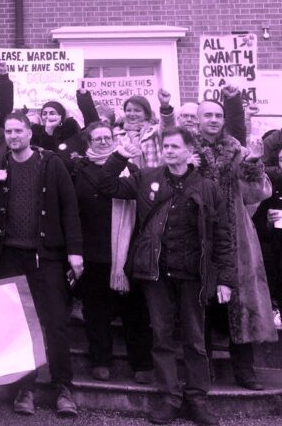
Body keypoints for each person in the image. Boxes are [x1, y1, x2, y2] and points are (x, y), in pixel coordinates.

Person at [96, 129, 235, 426]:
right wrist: (120, 155)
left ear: (189, 151)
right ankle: (170, 398)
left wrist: (225, 279)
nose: (169, 151)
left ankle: (197, 399)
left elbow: (223, 236)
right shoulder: (146, 177)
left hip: (194, 275)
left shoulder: (208, 187)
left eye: (175, 147)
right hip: (155, 272)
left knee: (195, 340)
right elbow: (105, 185)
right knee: (161, 337)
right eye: (166, 146)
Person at [0, 111, 83, 417]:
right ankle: (24, 389)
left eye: (18, 131)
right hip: (11, 257)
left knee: (55, 322)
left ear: (30, 133)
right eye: (9, 132)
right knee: (19, 325)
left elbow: (69, 207)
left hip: (47, 256)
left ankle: (63, 388)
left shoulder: (50, 162)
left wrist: (75, 251)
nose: (13, 136)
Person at [192, 97, 274, 391]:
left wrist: (253, 164)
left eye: (218, 115)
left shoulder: (237, 150)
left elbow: (256, 194)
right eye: (208, 115)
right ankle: (204, 369)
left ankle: (245, 371)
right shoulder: (188, 150)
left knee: (240, 302)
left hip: (235, 233)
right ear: (198, 120)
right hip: (196, 234)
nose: (213, 120)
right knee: (200, 302)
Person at [72, 121, 154, 384]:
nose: (104, 142)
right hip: (93, 250)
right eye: (98, 139)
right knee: (96, 310)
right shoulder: (77, 169)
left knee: (135, 310)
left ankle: (141, 363)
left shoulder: (129, 168)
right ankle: (100, 361)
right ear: (89, 143)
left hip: (126, 250)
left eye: (108, 137)